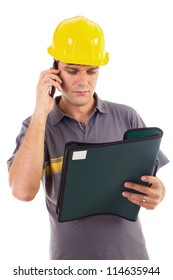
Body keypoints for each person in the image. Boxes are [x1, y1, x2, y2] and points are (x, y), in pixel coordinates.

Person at [7, 16, 169, 260]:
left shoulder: (126, 116)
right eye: (72, 70)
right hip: (71, 264)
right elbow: (22, 192)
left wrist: (158, 193)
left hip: (132, 260)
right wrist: (41, 113)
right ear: (54, 71)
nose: (83, 81)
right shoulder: (36, 126)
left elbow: (152, 184)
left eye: (91, 71)